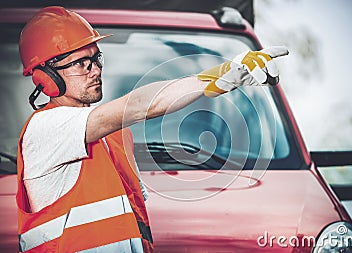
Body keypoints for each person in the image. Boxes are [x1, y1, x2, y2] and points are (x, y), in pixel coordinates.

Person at [16, 6, 288, 253]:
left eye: (96, 59)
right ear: (45, 76)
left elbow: (136, 223)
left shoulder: (115, 136)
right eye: (81, 63)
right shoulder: (45, 129)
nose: (95, 70)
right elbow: (140, 105)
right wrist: (220, 76)